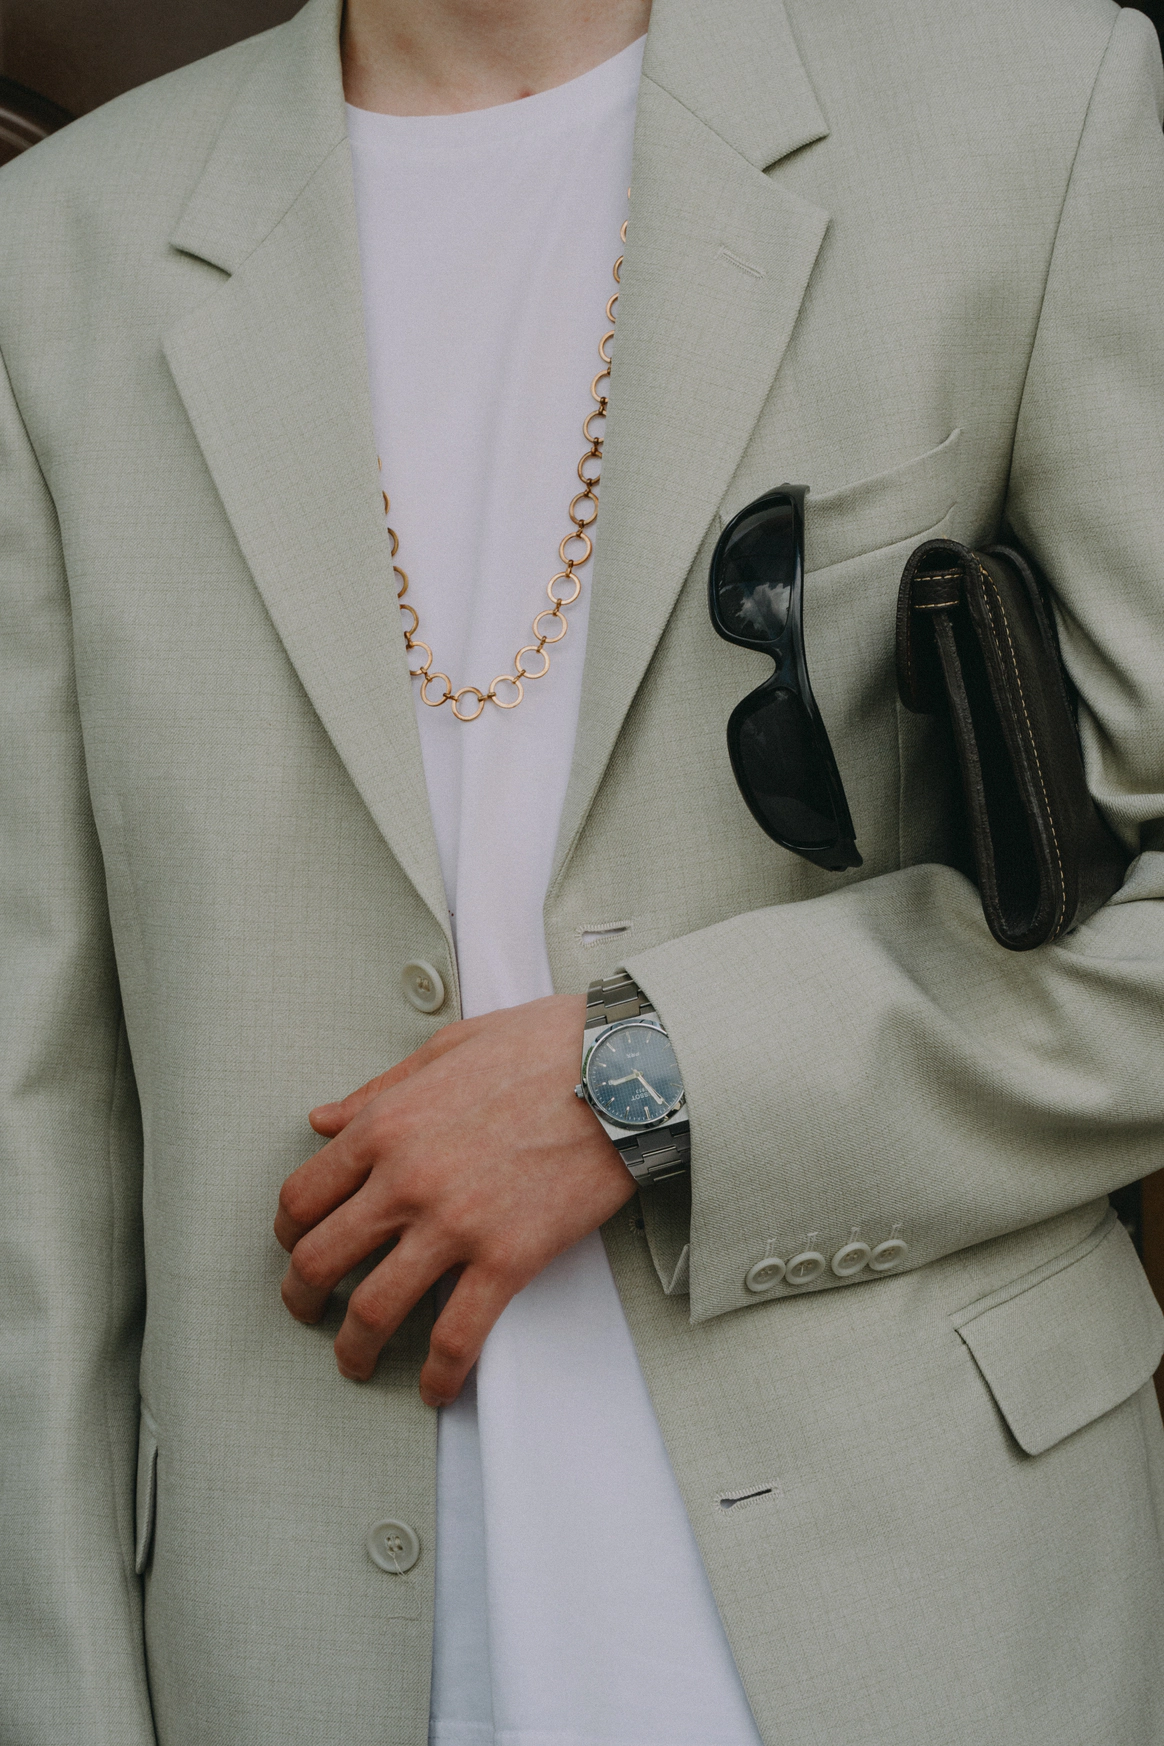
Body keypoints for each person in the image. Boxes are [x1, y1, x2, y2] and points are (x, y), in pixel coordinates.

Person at [2, 0, 1163, 1741]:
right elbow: (33, 1122)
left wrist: (656, 1076)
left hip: (933, 1609)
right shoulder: (54, 256)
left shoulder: (1028, 109)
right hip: (290, 1646)